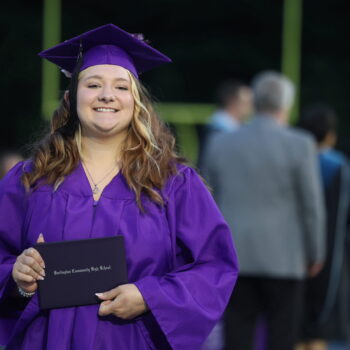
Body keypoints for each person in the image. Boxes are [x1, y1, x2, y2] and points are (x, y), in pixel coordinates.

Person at [0, 24, 238, 350]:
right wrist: (17, 277)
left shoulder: (174, 183)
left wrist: (150, 296)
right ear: (71, 98)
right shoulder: (31, 179)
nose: (107, 95)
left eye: (121, 87)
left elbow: (214, 267)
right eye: (93, 84)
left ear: (137, 101)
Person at [202, 71, 326, 350]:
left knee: (237, 334)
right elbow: (311, 206)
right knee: (282, 336)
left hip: (234, 255)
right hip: (285, 258)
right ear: (287, 104)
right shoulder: (301, 144)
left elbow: (207, 203)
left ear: (254, 100)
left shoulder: (221, 143)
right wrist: (315, 252)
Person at [297, 105, 350, 350]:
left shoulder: (293, 158)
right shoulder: (337, 165)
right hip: (330, 253)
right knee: (321, 321)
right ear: (330, 134)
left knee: (296, 321)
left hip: (293, 252)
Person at [197, 80, 252, 169]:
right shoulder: (216, 131)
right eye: (247, 103)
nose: (251, 107)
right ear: (233, 103)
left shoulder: (214, 126)